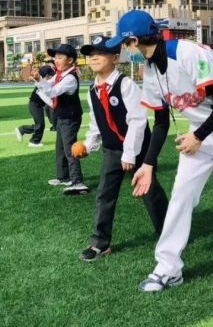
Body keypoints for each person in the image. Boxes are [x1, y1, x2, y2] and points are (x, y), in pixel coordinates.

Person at [105, 10, 213, 291]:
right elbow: (160, 121)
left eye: (124, 44)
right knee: (181, 196)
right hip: (201, 130)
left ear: (134, 41)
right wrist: (148, 164)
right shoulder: (150, 70)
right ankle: (168, 267)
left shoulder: (187, 53)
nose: (123, 50)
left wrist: (198, 136)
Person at [71, 35, 168, 261]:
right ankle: (100, 243)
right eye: (91, 54)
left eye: (100, 53)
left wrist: (130, 153)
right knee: (105, 194)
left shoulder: (126, 84)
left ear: (115, 58)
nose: (94, 57)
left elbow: (138, 120)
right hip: (112, 150)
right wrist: (88, 145)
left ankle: (167, 230)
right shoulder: (92, 90)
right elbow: (97, 123)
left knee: (149, 191)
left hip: (138, 149)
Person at [34, 44, 87, 195]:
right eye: (55, 58)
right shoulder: (60, 75)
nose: (56, 61)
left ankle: (77, 182)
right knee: (61, 149)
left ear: (70, 60)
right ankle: (64, 177)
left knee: (70, 150)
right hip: (62, 116)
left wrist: (39, 81)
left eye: (59, 58)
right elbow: (47, 85)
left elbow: (52, 91)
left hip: (70, 117)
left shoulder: (69, 78)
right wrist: (38, 80)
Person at [15, 65, 55, 148]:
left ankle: (22, 130)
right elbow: (47, 95)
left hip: (37, 105)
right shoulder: (43, 83)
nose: (51, 77)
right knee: (40, 124)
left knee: (39, 124)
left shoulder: (44, 82)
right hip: (34, 105)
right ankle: (33, 141)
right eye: (49, 75)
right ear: (46, 76)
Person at [43, 59, 58, 132]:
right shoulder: (48, 72)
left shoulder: (57, 72)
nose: (49, 66)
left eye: (50, 64)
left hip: (55, 93)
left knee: (52, 109)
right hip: (50, 94)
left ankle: (55, 125)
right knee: (46, 109)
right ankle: (53, 123)